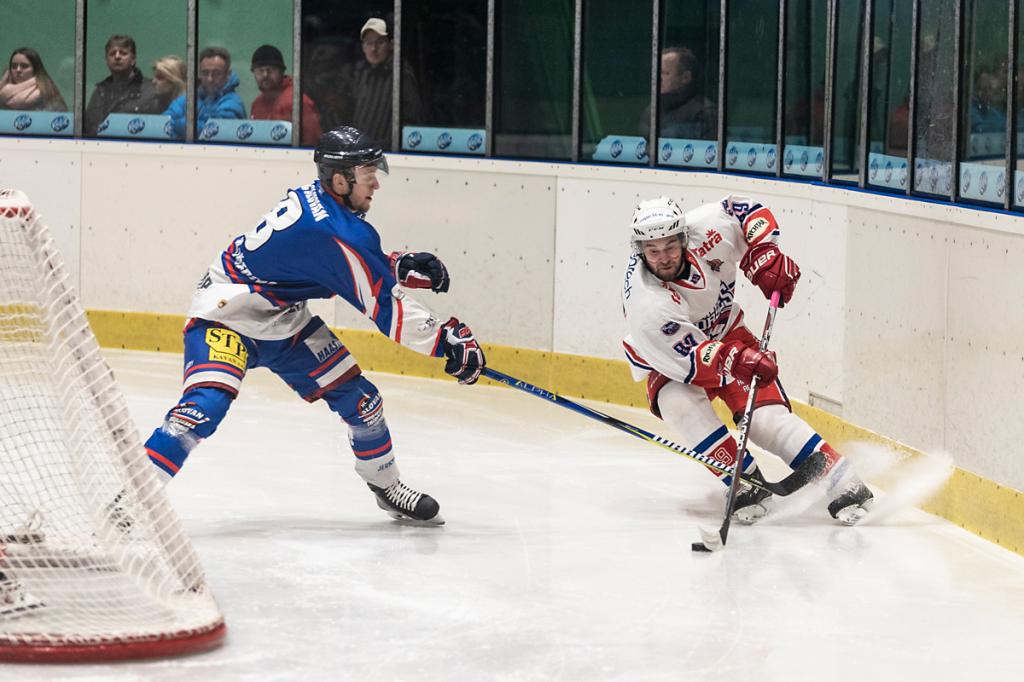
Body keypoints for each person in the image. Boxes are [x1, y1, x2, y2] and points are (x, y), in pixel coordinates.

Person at [138, 126, 485, 525]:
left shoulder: (321, 205)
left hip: (283, 319)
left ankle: (386, 486)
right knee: (202, 410)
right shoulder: (336, 231)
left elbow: (328, 262)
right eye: (367, 171)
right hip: (228, 315)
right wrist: (448, 342)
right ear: (340, 180)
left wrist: (392, 265)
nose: (376, 182)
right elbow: (388, 311)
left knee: (363, 403)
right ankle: (135, 496)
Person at [620, 196, 873, 525]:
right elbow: (692, 359)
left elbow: (745, 211)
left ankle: (842, 480)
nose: (664, 258)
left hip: (727, 332)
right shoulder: (647, 304)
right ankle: (742, 481)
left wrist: (764, 252)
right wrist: (734, 359)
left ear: (684, 237)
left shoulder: (708, 227)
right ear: (641, 250)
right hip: (668, 358)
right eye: (653, 250)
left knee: (764, 421)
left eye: (670, 246)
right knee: (679, 405)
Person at [346, 17, 422, 146]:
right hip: (362, 156)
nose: (373, 49)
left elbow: (413, 119)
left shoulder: (401, 74)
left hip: (387, 156)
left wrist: (387, 145)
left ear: (391, 44)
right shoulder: (362, 74)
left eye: (379, 42)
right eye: (368, 43)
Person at [249, 44, 322, 146]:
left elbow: (312, 143)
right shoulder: (256, 104)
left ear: (282, 71)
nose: (265, 75)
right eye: (260, 70)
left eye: (271, 69)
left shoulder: (298, 102)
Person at [84, 35, 158, 135]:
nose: (117, 57)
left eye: (123, 53)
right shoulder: (99, 91)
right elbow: (88, 127)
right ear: (106, 60)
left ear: (133, 59)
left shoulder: (150, 90)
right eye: (112, 53)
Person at [165, 46, 245, 138]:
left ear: (228, 74)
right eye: (205, 73)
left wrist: (177, 124)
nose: (210, 79)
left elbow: (213, 131)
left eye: (216, 73)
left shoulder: (233, 102)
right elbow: (164, 122)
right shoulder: (191, 98)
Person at [639, 47, 716, 140]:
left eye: (665, 73)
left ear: (686, 77)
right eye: (656, 73)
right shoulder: (653, 110)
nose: (658, 78)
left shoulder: (704, 112)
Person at [0, 47, 67, 111]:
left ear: (35, 70)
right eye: (14, 66)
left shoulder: (48, 94)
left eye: (24, 66)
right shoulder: (2, 95)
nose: (18, 70)